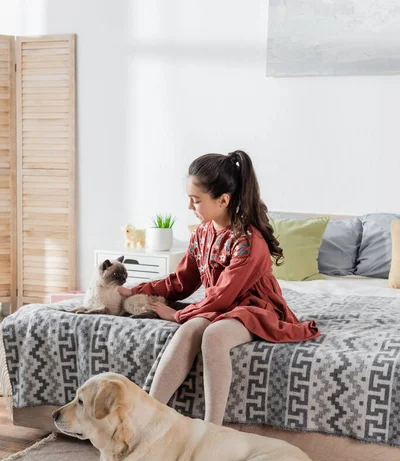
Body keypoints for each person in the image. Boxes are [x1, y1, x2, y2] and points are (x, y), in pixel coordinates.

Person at [118, 150, 319, 425]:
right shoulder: (201, 233)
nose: (190, 207)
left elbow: (224, 295)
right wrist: (138, 289)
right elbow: (182, 281)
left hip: (252, 308)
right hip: (219, 305)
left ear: (223, 200)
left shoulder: (248, 242)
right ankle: (147, 418)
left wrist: (177, 315)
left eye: (196, 200)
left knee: (214, 336)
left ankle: (212, 429)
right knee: (190, 330)